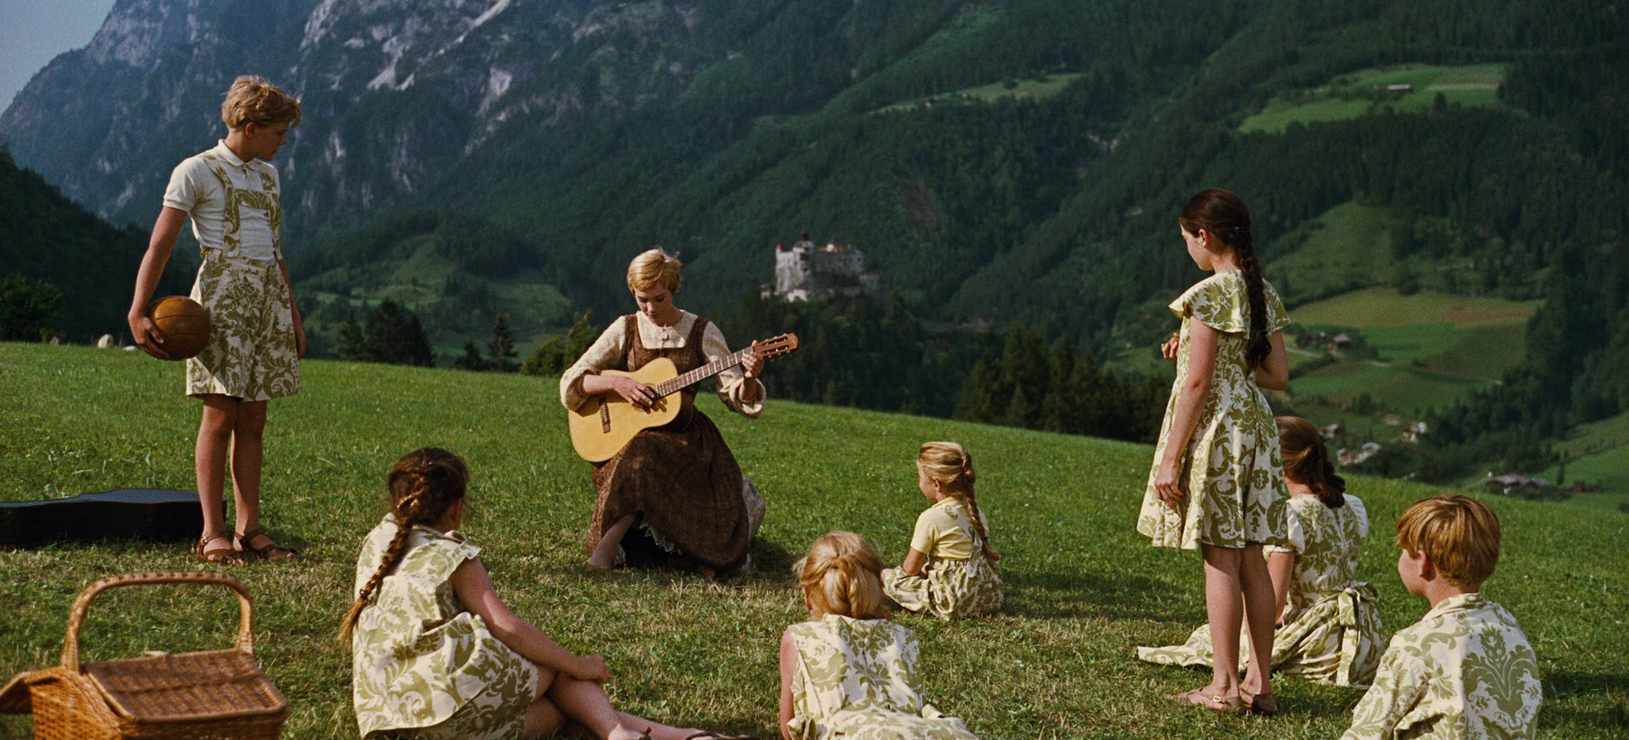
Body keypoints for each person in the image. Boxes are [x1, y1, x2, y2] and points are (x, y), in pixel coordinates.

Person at [343, 447, 737, 740]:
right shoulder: (454, 555)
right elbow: (506, 627)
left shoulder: (376, 542)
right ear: (458, 507)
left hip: (387, 721)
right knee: (554, 670)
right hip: (445, 706)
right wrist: (576, 663)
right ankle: (633, 735)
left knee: (561, 713)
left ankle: (683, 737)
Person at [127, 75, 305, 564]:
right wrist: (138, 309)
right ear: (250, 127)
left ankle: (250, 530)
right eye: (278, 132)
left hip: (267, 297)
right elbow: (159, 245)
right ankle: (213, 532)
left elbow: (275, 249)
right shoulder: (195, 171)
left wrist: (291, 315)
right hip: (222, 299)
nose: (283, 141)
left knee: (255, 416)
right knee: (220, 412)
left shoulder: (267, 175)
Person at [1135, 187, 1291, 714]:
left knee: (1218, 555)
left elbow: (1198, 385)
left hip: (1218, 432)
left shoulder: (1206, 295)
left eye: (1187, 240)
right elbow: (1276, 375)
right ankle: (1259, 686)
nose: (1188, 250)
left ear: (1204, 236)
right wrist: (1214, 355)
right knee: (1251, 556)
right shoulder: (1261, 293)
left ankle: (1223, 686)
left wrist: (1170, 458)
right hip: (1255, 428)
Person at [1137, 416, 1384, 690]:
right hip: (1356, 634)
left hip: (1315, 637)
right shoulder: (1351, 505)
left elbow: (1273, 605)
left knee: (1214, 639)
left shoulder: (1290, 515)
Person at [560, 248, 766, 576]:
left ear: (673, 290)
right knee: (641, 451)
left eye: (660, 298)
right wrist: (616, 383)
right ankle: (605, 554)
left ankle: (615, 555)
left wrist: (750, 378)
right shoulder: (625, 328)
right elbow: (572, 382)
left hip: (688, 442)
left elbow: (737, 398)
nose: (650, 308)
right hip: (633, 437)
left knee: (645, 452)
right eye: (642, 299)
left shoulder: (702, 330)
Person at [1341, 494, 1541, 740]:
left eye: (1404, 551)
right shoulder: (1508, 625)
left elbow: (1367, 732)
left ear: (1423, 562)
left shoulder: (1415, 644)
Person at [779, 531, 980, 740]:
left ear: (807, 595)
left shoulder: (799, 638)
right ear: (876, 587)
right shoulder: (902, 637)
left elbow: (787, 730)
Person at [880, 441, 1003, 620]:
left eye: (920, 477)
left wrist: (893, 576)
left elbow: (910, 569)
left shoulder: (931, 518)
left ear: (936, 483)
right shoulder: (975, 512)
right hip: (987, 598)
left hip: (952, 601)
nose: (919, 482)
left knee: (887, 575)